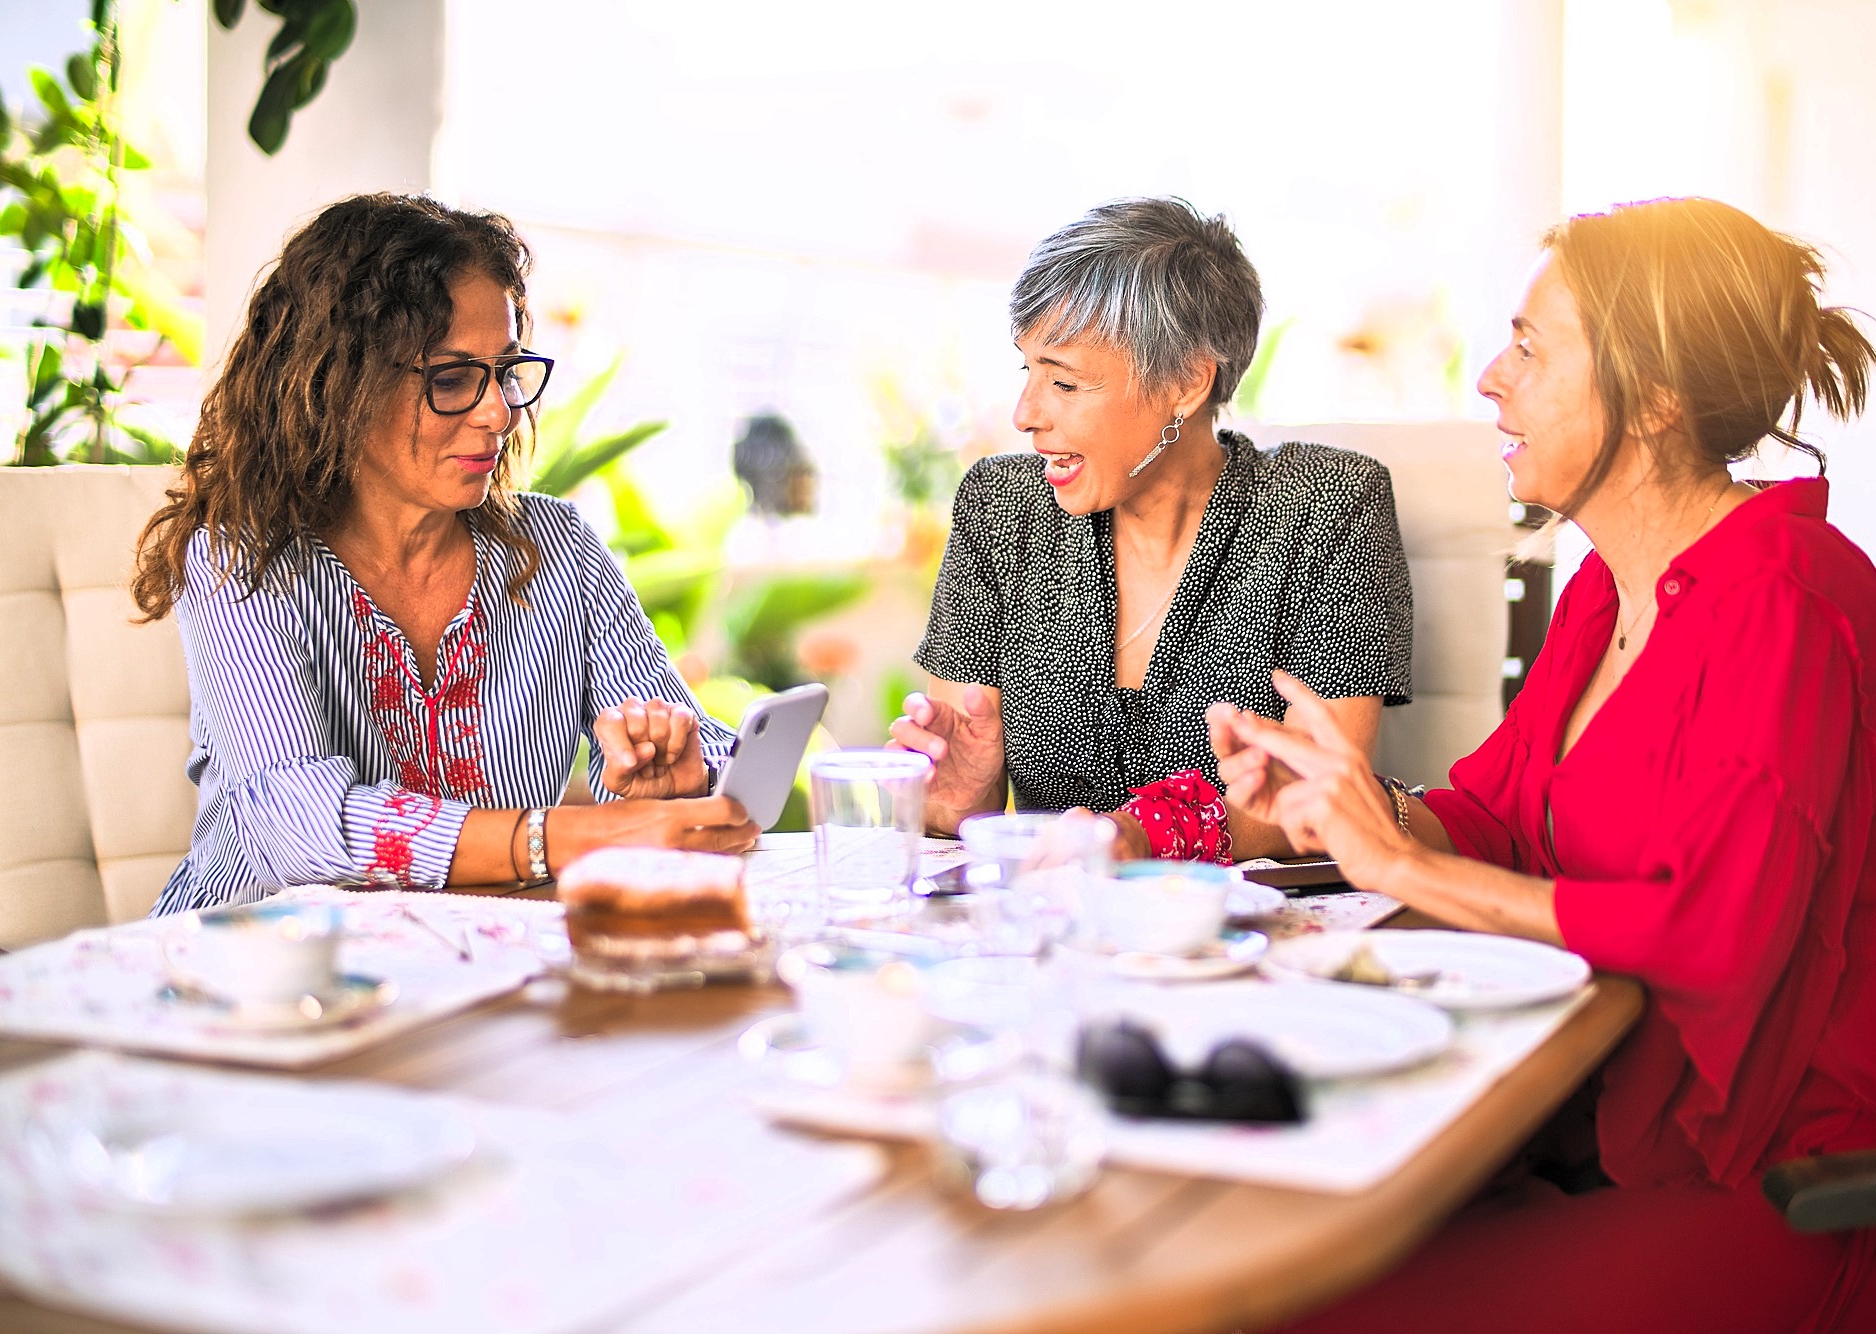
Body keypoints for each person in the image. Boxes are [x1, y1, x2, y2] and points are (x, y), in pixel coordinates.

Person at [1210, 197, 1876, 1332]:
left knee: (1302, 1305)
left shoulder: (1785, 600)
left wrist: (1396, 865)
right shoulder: (1602, 590)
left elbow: (1708, 937)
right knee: (1282, 1248)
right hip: (1654, 1146)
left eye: (1529, 346)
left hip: (1829, 1194)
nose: (1488, 377)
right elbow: (1496, 813)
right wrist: (1354, 804)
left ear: (1656, 396)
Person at [134, 194, 757, 914]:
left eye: (505, 370)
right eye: (453, 378)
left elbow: (698, 748)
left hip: (479, 968)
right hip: (257, 980)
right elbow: (298, 826)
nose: (499, 411)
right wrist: (562, 838)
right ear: (337, 383)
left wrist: (674, 774)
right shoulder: (243, 558)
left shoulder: (560, 551)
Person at [891, 197, 1412, 862]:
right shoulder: (1001, 509)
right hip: (1054, 940)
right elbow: (978, 819)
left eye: (1066, 383)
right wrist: (960, 801)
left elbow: (1322, 800)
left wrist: (1136, 837)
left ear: (1188, 383)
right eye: (1030, 371)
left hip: (1247, 948)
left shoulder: (1330, 507)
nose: (1025, 414)